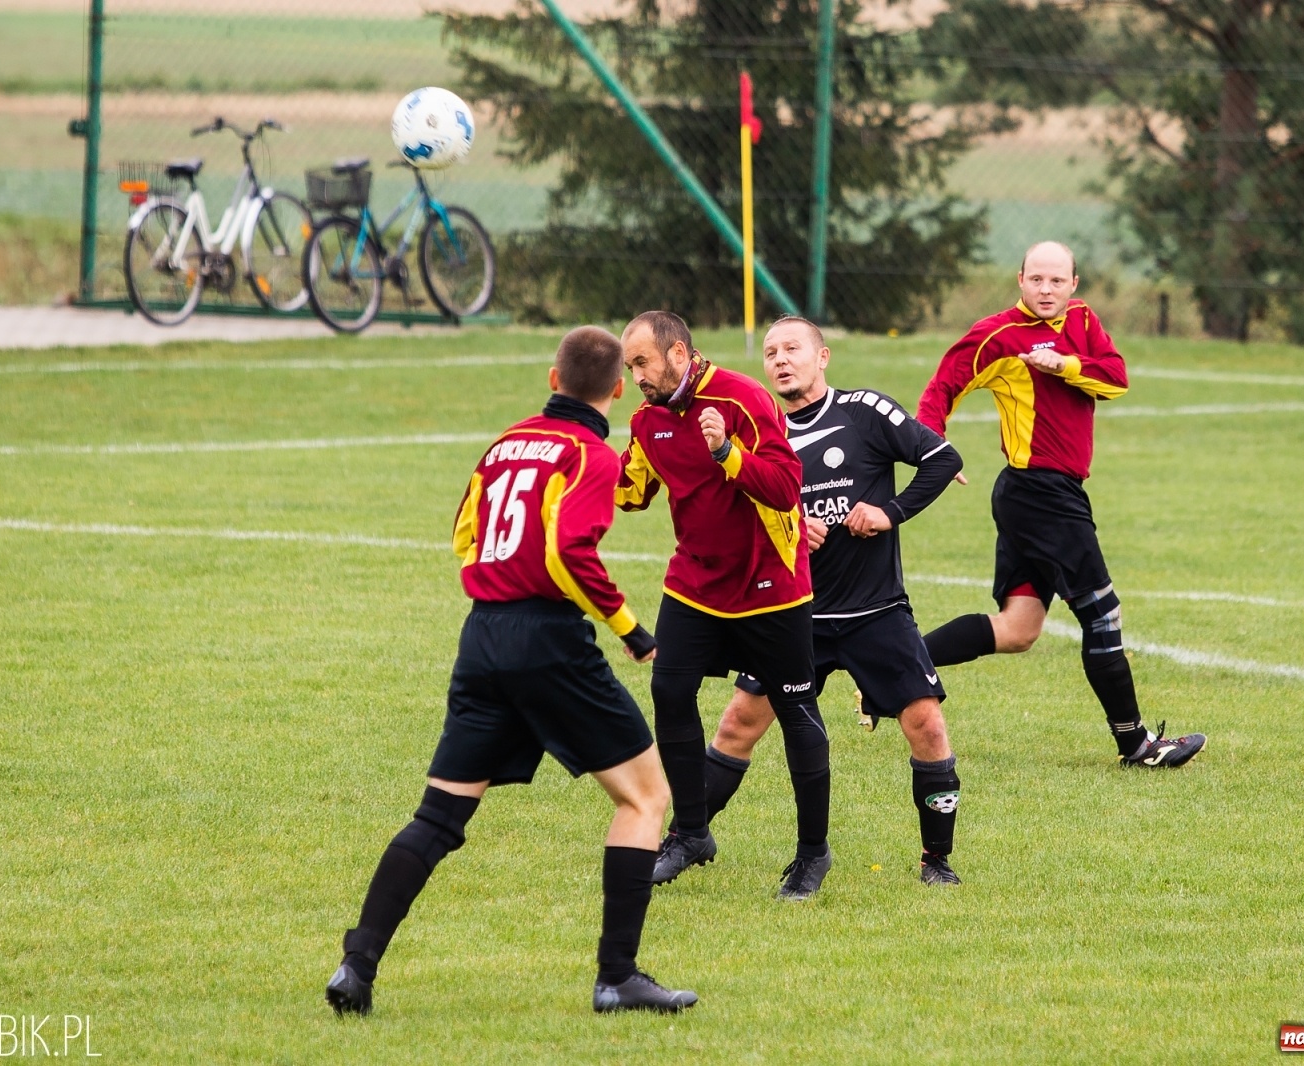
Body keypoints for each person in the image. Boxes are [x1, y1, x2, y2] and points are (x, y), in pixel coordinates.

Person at [325, 326, 697, 1018]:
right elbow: (567, 553)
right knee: (647, 798)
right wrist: (631, 631)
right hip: (548, 642)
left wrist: (496, 591)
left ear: (552, 380)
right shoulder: (593, 456)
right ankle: (617, 976)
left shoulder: (505, 443)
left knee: (439, 815)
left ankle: (356, 965)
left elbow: (465, 531)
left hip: (484, 636)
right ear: (617, 389)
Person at [690, 315, 968, 885]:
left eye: (793, 348)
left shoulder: (865, 411)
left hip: (876, 610)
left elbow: (943, 460)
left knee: (927, 726)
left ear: (823, 357)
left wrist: (889, 512)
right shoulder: (759, 435)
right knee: (738, 723)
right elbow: (733, 516)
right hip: (793, 613)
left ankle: (936, 862)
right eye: (771, 353)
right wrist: (787, 522)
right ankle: (687, 837)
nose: (781, 360)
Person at [916, 241, 1206, 768]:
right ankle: (1136, 745)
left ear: (1074, 284)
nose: (1046, 290)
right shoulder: (998, 336)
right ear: (1019, 280)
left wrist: (1066, 364)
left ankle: (892, 670)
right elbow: (942, 388)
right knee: (1102, 613)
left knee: (1019, 628)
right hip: (1037, 493)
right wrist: (933, 448)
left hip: (1050, 493)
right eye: (1036, 280)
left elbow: (1116, 379)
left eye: (1056, 281)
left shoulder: (1084, 321)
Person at [615, 310, 834, 901]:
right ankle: (691, 834)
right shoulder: (647, 419)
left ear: (679, 355)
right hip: (695, 584)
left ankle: (813, 854)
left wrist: (726, 453)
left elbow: (787, 488)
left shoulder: (742, 399)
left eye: (643, 363)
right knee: (669, 690)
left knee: (796, 712)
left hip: (772, 585)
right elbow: (630, 494)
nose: (636, 376)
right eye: (629, 366)